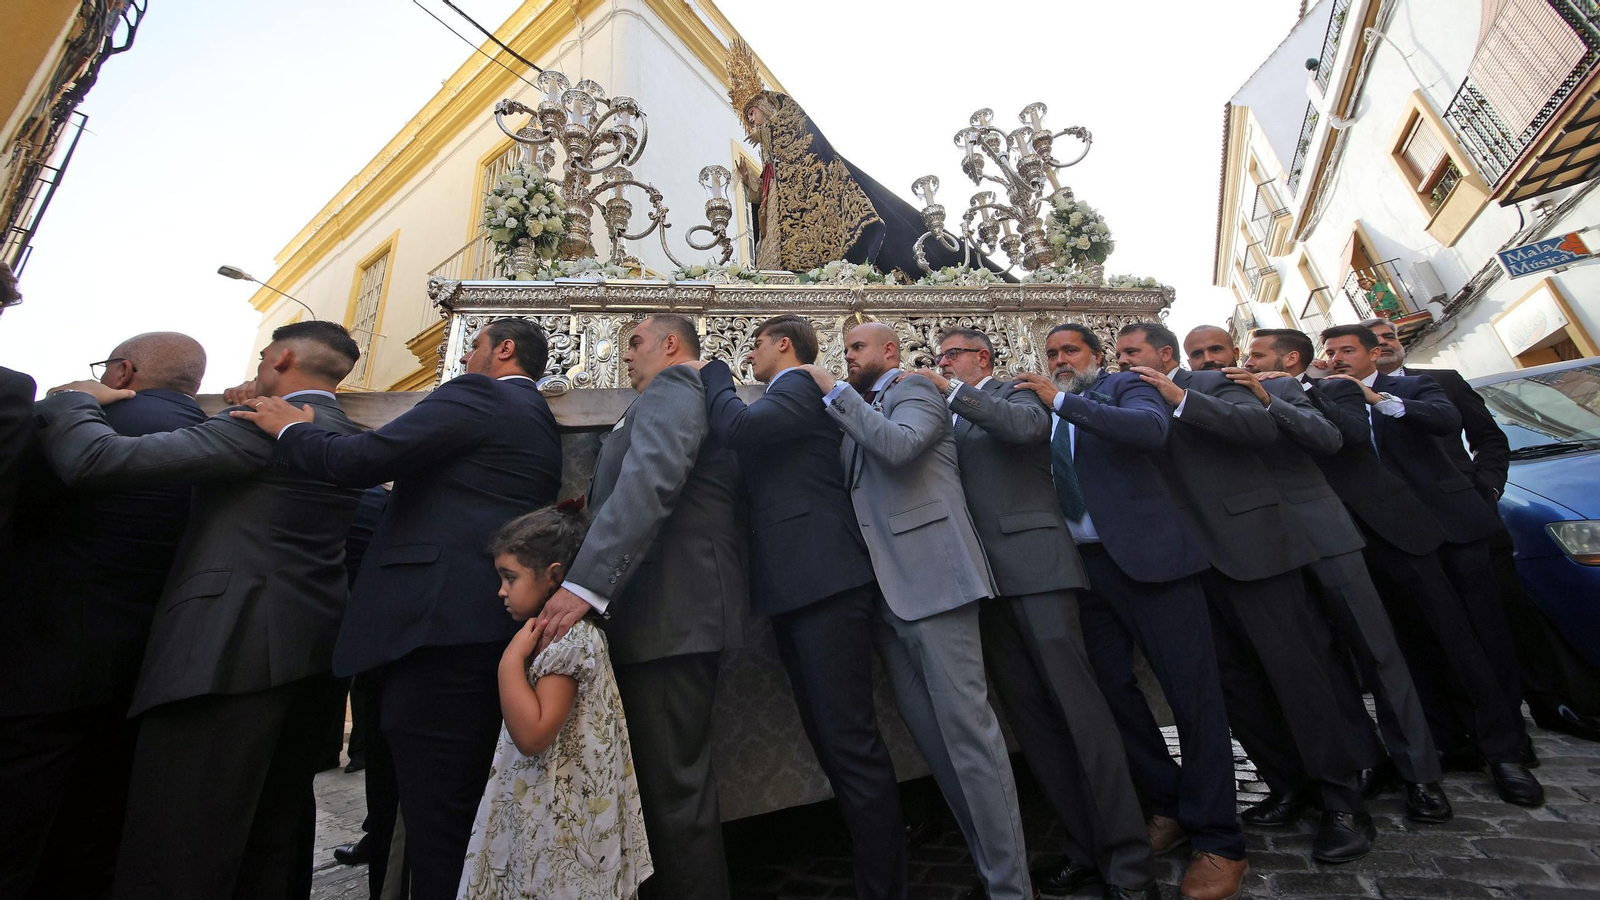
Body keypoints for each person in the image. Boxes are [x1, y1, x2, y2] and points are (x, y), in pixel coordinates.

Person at [30, 321, 367, 900]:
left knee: (180, 835)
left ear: (282, 357)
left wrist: (73, 402)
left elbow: (96, 461)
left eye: (263, 359)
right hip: (304, 653)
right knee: (268, 832)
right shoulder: (336, 427)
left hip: (223, 652)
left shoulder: (257, 430)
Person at [233, 317, 561, 900]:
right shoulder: (536, 416)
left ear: (503, 351)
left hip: (431, 629)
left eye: (474, 347)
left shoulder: (477, 393)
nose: (464, 360)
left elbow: (362, 461)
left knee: (437, 816)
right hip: (479, 622)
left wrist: (291, 429)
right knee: (454, 806)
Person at [1117, 321, 1377, 864]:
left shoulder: (1214, 384)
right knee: (1236, 687)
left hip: (1255, 549)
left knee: (1299, 674)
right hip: (1187, 567)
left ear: (1166, 356)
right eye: (1116, 354)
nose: (1123, 361)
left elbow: (1257, 429)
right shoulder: (1118, 402)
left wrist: (1179, 398)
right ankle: (1286, 784)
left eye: (1131, 352)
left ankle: (1341, 801)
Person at [918, 327, 1156, 900]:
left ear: (983, 358)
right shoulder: (946, 414)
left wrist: (949, 386)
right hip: (982, 584)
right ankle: (1084, 849)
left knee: (1081, 715)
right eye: (939, 357)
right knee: (1035, 728)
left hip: (1038, 568)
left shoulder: (1020, 391)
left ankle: (1129, 864)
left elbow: (1026, 430)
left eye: (953, 355)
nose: (943, 363)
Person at [799, 321, 1031, 900]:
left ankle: (1012, 888)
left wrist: (832, 388)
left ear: (890, 351)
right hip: (886, 596)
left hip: (936, 583)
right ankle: (988, 870)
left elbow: (900, 447)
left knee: (972, 743)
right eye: (844, 350)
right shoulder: (862, 407)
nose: (847, 356)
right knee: (939, 749)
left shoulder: (915, 390)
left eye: (857, 348)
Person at [1015, 324, 1247, 900]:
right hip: (1086, 573)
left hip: (1153, 562)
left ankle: (1220, 839)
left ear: (1097, 357)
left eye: (1070, 351)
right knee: (1113, 698)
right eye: (1051, 355)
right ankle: (1168, 804)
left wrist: (1061, 400)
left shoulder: (1125, 389)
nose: (1059, 360)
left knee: (1193, 697)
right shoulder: (1043, 415)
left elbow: (1150, 432)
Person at [1194, 326, 1451, 825]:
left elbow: (1329, 438)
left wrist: (1267, 396)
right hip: (1264, 552)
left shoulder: (1284, 389)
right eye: (1197, 353)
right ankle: (1363, 761)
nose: (1209, 360)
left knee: (1378, 653)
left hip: (1322, 537)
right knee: (1320, 666)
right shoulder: (1197, 403)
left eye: (1219, 351)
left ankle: (1422, 773)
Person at [533, 314, 746, 900]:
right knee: (664, 786)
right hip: (667, 612)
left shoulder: (677, 386)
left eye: (635, 343)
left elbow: (651, 481)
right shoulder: (664, 395)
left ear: (670, 343)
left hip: (671, 612)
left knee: (675, 793)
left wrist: (584, 586)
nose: (626, 356)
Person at [695, 315, 906, 900]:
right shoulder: (784, 391)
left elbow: (738, 427)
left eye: (755, 344)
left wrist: (711, 371)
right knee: (831, 737)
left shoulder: (794, 386)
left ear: (783, 345)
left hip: (825, 581)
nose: (748, 356)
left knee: (849, 740)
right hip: (799, 584)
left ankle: (884, 887)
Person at [0, 333, 207, 900]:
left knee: (16, 820)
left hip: (42, 654)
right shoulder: (227, 436)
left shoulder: (74, 422)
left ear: (123, 371)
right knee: (99, 825)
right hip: (155, 663)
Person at [1320, 324, 1543, 807]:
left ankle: (1504, 747)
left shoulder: (1412, 386)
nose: (1335, 358)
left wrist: (1375, 399)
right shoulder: (1325, 401)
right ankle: (1449, 739)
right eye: (1329, 350)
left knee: (1483, 639)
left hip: (1454, 529)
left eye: (1346, 350)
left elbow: (1443, 421)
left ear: (1373, 353)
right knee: (1424, 643)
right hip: (1392, 542)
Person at [1365, 318, 1600, 745]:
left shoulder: (1441, 381)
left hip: (1469, 514)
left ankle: (1550, 701)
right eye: (1375, 341)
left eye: (1389, 337)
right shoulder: (1345, 393)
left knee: (1510, 612)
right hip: (1408, 529)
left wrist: (1487, 488)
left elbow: (1489, 438)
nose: (1384, 345)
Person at [457, 504, 652, 899]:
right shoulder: (563, 636)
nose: (501, 590)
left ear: (555, 575)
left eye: (510, 577)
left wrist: (509, 663)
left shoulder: (567, 640)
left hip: (561, 816)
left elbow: (534, 734)